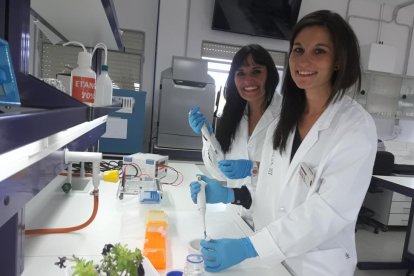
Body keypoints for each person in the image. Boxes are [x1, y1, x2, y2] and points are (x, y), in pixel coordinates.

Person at [190, 10, 377, 276]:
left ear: (338, 60)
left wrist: (249, 247)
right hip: (268, 257)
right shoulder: (285, 121)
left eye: (319, 51)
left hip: (313, 265)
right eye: (298, 49)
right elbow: (270, 192)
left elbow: (325, 213)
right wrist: (231, 194)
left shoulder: (355, 127)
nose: (304, 60)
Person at [188, 44, 281, 228]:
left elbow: (290, 172)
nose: (248, 80)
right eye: (241, 73)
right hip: (237, 215)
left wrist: (254, 168)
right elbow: (219, 171)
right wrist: (207, 135)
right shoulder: (234, 115)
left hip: (272, 220)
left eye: (256, 71)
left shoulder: (287, 115)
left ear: (269, 74)